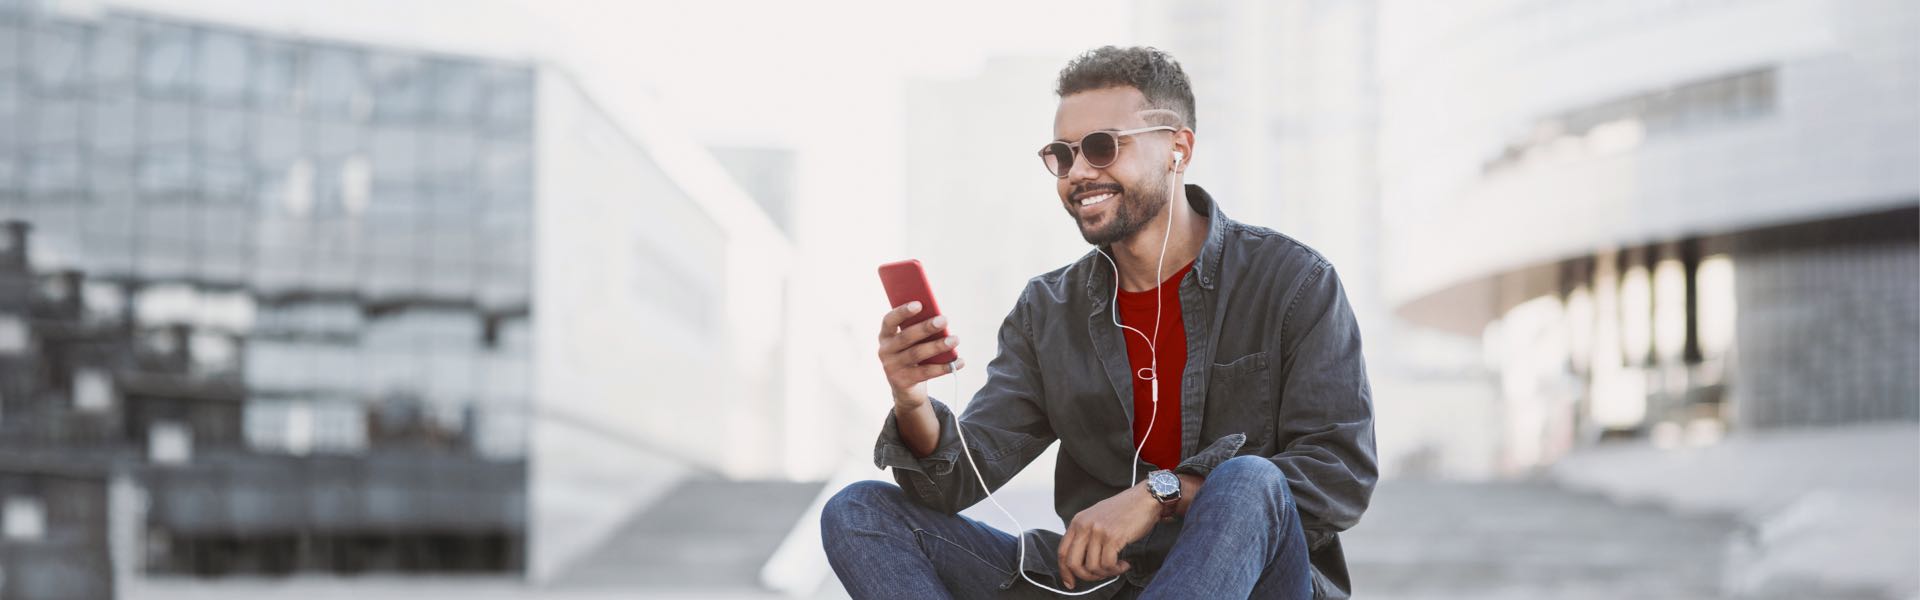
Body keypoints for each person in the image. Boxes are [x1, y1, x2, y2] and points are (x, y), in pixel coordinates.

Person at [821, 46, 1377, 599]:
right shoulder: (1048, 311)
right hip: (1099, 585)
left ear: (1178, 149)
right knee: (858, 511)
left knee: (1250, 480)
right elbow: (957, 480)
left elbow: (1339, 476)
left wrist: (1161, 493)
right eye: (1063, 156)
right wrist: (912, 401)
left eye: (1102, 147)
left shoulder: (1291, 281)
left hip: (1256, 584)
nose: (1079, 172)